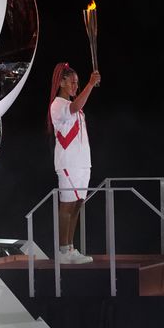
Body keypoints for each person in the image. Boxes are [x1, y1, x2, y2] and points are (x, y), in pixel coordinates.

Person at [47, 62, 101, 264]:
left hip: (82, 163)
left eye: (77, 83)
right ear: (61, 82)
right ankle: (62, 251)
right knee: (67, 205)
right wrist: (90, 84)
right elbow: (76, 105)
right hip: (68, 164)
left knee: (78, 204)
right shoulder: (58, 105)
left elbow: (78, 106)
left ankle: (70, 248)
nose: (75, 86)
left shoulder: (75, 108)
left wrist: (87, 86)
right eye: (72, 82)